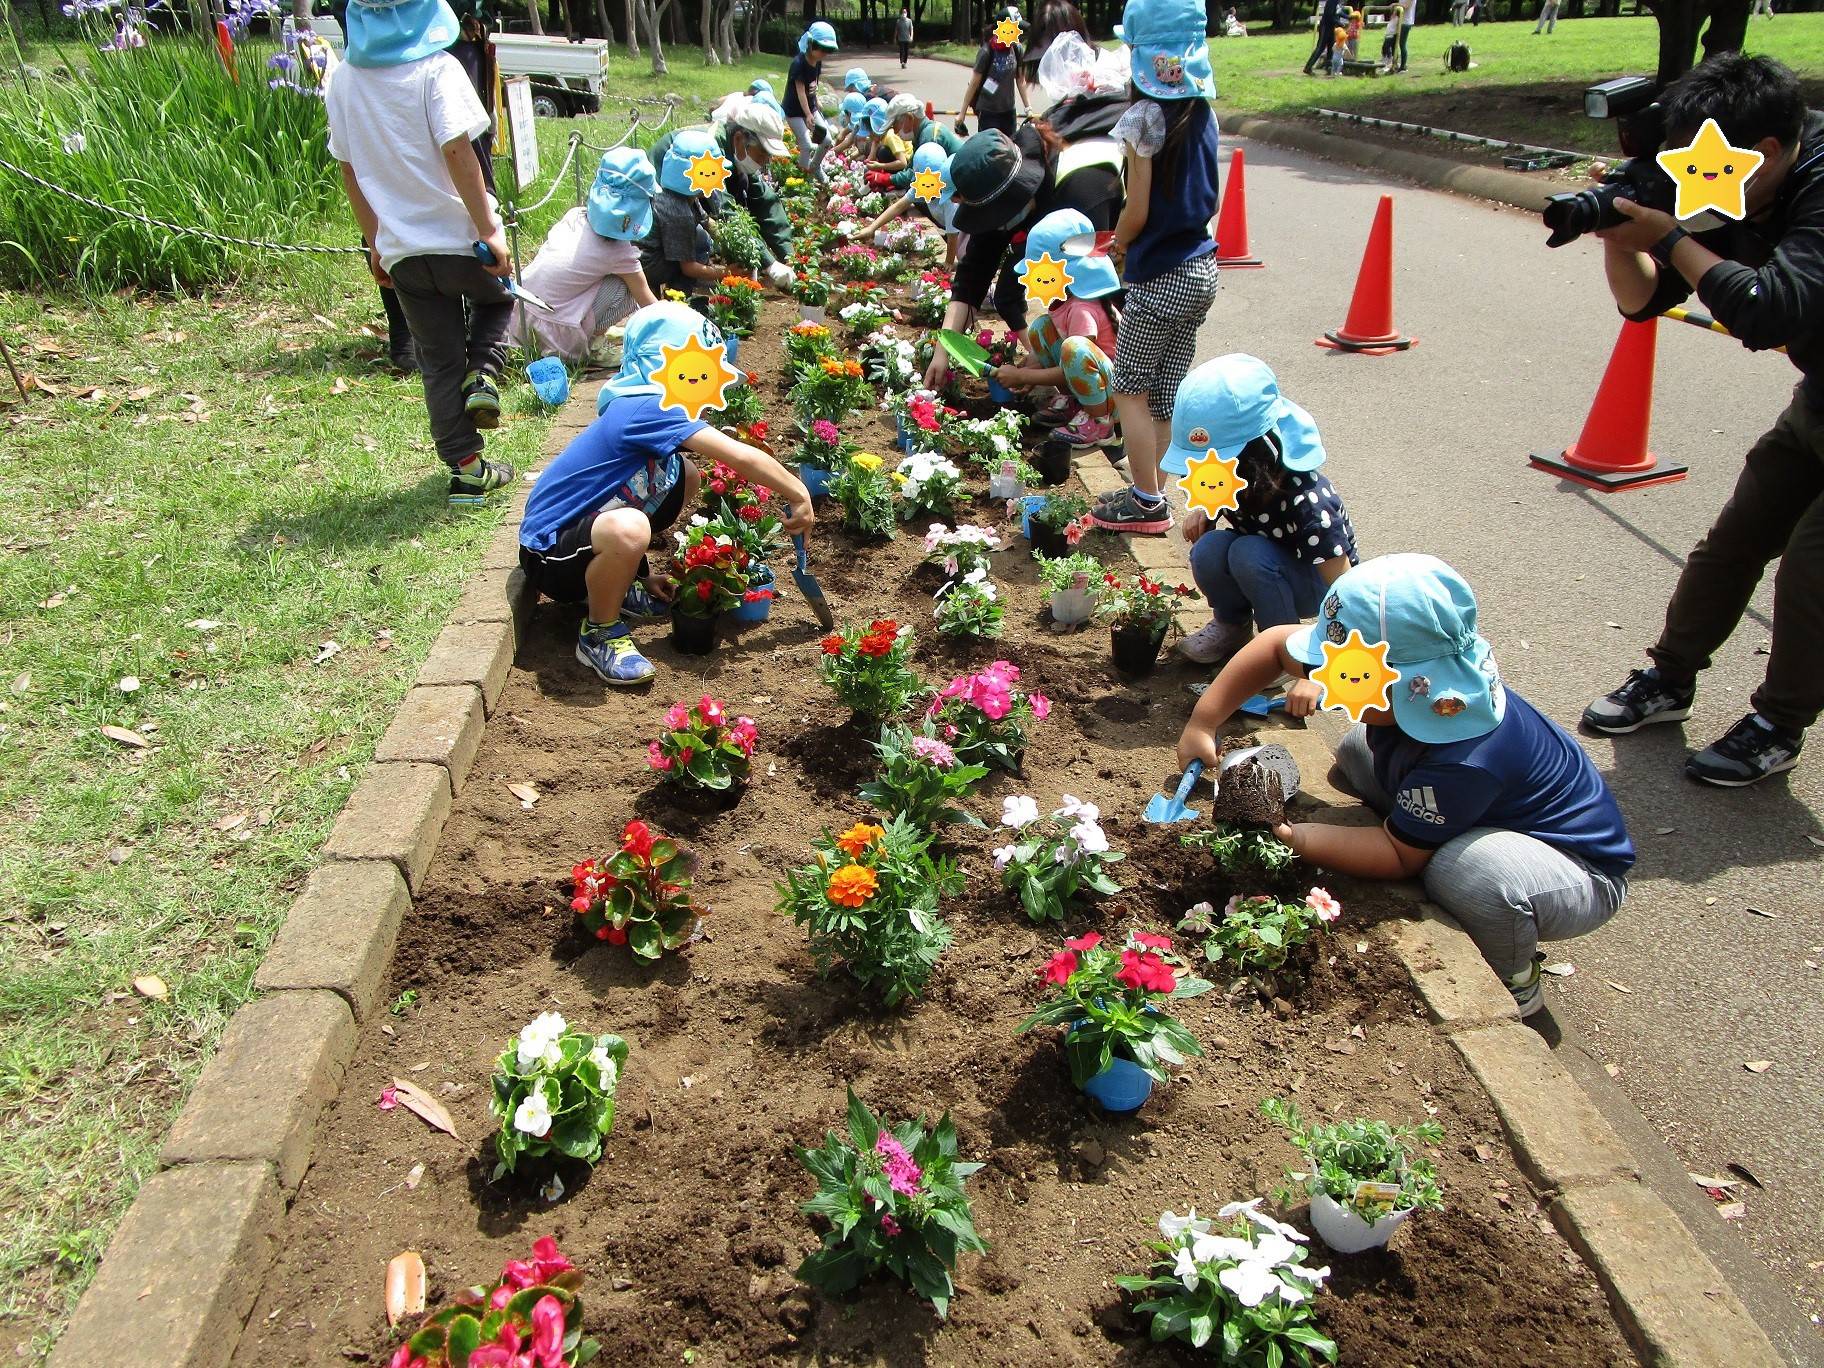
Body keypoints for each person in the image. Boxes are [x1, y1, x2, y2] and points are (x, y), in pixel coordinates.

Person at [1176, 554, 1634, 1017]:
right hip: (1469, 800)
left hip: (1572, 869)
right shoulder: (1420, 694)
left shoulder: (1467, 757)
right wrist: (1203, 722)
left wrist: (1293, 837)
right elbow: (1276, 645)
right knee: (1358, 748)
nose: (1328, 686)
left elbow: (1397, 858)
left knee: (1465, 871)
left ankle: (1515, 979)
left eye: (1344, 678)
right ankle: (1427, 825)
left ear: (1409, 685)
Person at [1582, 54, 1824, 786]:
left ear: (1771, 152)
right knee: (1732, 542)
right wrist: (1621, 240)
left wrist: (1666, 236)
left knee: (1812, 573)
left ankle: (1778, 726)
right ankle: (1668, 678)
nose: (1698, 184)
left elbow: (1763, 308)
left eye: (1707, 168)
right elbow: (1646, 299)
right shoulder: (1735, 171)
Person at [519, 304, 812, 685]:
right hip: (550, 553)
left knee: (683, 474)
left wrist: (638, 574)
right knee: (630, 527)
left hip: (585, 537)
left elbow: (620, 495)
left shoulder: (646, 406)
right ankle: (599, 632)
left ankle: (620, 583)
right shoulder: (646, 407)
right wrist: (798, 491)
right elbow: (738, 455)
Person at [326, 0, 517, 509]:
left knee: (436, 362)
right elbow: (459, 152)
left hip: (403, 252)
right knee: (499, 302)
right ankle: (484, 373)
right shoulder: (439, 68)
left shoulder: (344, 79)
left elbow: (350, 170)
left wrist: (375, 244)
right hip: (460, 239)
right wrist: (488, 229)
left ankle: (468, 472)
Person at [1089, 0, 1220, 536]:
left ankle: (1146, 502)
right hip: (1201, 269)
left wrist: (1118, 242)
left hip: (1161, 274)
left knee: (1129, 389)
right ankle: (1155, 491)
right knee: (1164, 389)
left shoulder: (1144, 118)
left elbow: (1137, 210)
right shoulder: (1202, 113)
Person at [1157, 355, 1357, 664]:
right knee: (1209, 548)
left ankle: (1281, 650)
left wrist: (1331, 655)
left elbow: (1346, 590)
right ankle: (1232, 626)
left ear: (1254, 456)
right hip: (1264, 568)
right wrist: (1206, 512)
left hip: (1314, 580)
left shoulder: (1309, 503)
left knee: (1248, 552)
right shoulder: (1238, 481)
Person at [925, 114, 1126, 374]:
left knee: (1103, 335)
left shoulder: (1081, 190)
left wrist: (1041, 372)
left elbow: (1096, 296)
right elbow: (972, 273)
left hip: (1131, 249)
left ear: (1008, 202)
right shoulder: (1002, 177)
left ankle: (1110, 403)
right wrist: (943, 351)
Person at [994, 208, 1124, 453]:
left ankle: (1100, 424)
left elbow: (1073, 365)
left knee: (1074, 348)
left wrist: (1024, 377)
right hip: (1101, 385)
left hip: (1117, 398)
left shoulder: (1082, 309)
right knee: (1041, 328)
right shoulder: (1068, 302)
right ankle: (1077, 404)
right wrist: (1030, 367)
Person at [512, 148, 659, 363]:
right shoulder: (619, 252)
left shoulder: (574, 216)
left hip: (522, 317)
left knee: (591, 278)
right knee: (625, 287)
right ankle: (593, 345)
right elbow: (647, 301)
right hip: (555, 338)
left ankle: (585, 331)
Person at [647, 97, 797, 292]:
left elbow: (764, 201)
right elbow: (725, 209)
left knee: (701, 235)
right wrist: (765, 263)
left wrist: (786, 255)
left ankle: (680, 288)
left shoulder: (736, 149)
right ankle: (676, 293)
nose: (764, 161)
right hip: (651, 220)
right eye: (762, 154)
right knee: (697, 241)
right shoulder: (706, 154)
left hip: (679, 206)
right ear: (739, 139)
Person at [636, 130, 724, 303]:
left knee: (700, 239)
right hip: (646, 264)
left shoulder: (682, 195)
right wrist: (727, 273)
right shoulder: (679, 211)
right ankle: (677, 299)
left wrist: (732, 240)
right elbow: (689, 268)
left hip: (648, 254)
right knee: (696, 251)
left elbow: (707, 222)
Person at [850, 144, 963, 268]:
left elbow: (953, 235)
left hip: (965, 233)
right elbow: (899, 206)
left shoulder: (950, 198)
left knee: (964, 255)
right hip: (951, 228)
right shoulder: (924, 187)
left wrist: (949, 262)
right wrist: (872, 228)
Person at [961, 8, 1031, 138]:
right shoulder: (987, 52)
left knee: (1010, 150)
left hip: (1009, 111)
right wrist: (962, 114)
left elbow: (1020, 80)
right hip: (988, 113)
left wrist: (1028, 109)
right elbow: (974, 83)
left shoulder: (1016, 49)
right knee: (990, 152)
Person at [783, 21, 839, 181]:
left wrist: (816, 103)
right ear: (810, 44)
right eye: (821, 48)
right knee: (806, 145)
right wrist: (808, 114)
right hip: (795, 111)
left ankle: (814, 167)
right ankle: (802, 178)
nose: (824, 53)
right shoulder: (798, 64)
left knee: (827, 140)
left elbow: (814, 84)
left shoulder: (818, 62)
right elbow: (801, 91)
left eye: (828, 50)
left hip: (811, 108)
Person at [1304, 0, 1340, 75]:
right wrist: (1339, 23)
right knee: (1320, 47)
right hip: (1326, 26)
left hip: (1331, 26)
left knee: (1331, 47)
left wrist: (1349, 17)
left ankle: (1329, 68)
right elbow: (1329, 15)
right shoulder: (1332, 1)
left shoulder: (1337, 1)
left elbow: (1339, 12)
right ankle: (1308, 67)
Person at [1379, 1, 1402, 67]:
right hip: (1388, 35)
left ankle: (1390, 59)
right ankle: (1386, 58)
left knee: (1388, 47)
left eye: (1394, 11)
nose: (1392, 13)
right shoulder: (1392, 19)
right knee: (1385, 47)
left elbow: (1397, 26)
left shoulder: (1397, 19)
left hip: (1392, 35)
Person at [1396, 0, 1415, 70]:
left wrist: (1395, 4)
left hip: (1406, 22)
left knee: (1402, 44)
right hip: (1400, 20)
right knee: (1395, 42)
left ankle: (1403, 66)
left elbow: (1406, 6)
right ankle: (1395, 63)